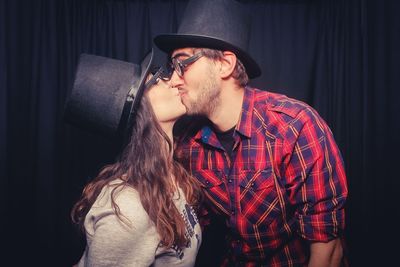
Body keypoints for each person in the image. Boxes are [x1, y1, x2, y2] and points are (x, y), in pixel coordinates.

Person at [154, 0, 349, 266]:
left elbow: (327, 251)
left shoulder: (295, 128)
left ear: (225, 64)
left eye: (182, 63)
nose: (174, 80)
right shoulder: (188, 142)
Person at [64, 49, 203, 267]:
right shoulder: (128, 208)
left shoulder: (172, 175)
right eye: (157, 81)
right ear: (140, 113)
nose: (175, 81)